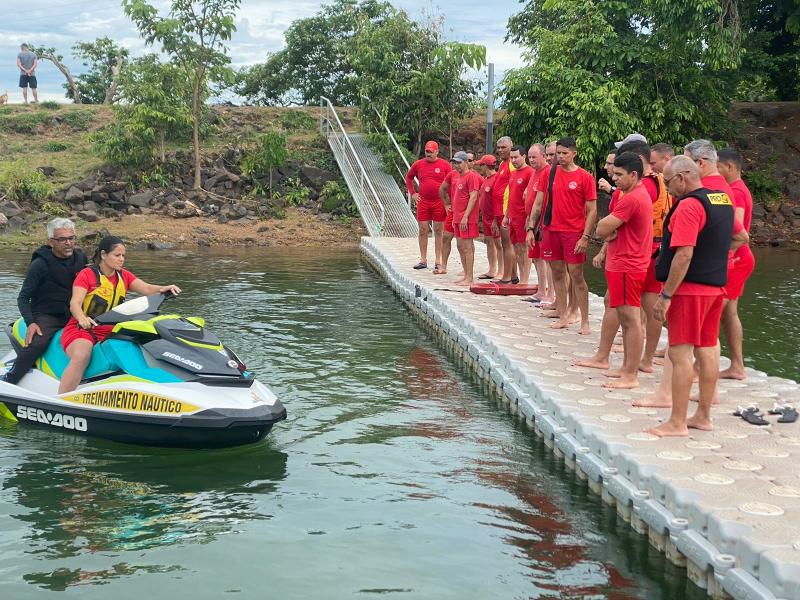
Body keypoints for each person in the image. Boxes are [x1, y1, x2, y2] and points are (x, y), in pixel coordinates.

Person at [644, 156, 747, 437]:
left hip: (689, 290)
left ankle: (677, 422)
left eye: (667, 182)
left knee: (679, 353)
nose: (667, 189)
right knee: (707, 348)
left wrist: (666, 295)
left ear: (682, 177)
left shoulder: (690, 206)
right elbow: (742, 238)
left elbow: (684, 253)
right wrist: (715, 256)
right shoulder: (722, 201)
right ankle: (703, 416)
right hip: (715, 287)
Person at [58, 236, 182, 394]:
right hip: (81, 327)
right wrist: (82, 318)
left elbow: (147, 288)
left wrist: (165, 288)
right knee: (82, 355)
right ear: (103, 255)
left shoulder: (123, 276)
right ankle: (62, 398)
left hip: (109, 327)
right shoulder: (87, 275)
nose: (121, 259)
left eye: (123, 256)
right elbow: (74, 303)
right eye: (117, 255)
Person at [1, 219, 87, 384]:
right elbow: (23, 298)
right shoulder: (40, 264)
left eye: (71, 238)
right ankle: (9, 380)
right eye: (62, 239)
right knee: (38, 344)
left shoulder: (81, 258)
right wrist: (31, 323)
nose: (68, 243)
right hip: (47, 315)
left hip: (74, 312)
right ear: (51, 242)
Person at [593, 153, 653, 389]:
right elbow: (608, 228)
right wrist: (610, 229)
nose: (614, 178)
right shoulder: (633, 195)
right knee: (629, 318)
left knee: (631, 320)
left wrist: (608, 228)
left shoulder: (632, 198)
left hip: (628, 265)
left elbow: (601, 228)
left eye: (619, 174)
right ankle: (626, 368)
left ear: (634, 174)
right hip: (625, 263)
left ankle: (631, 374)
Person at [528, 137, 597, 334]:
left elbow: (591, 210)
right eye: (558, 153)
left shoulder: (584, 177)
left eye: (564, 153)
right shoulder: (549, 174)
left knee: (576, 274)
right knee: (557, 272)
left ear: (574, 153)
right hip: (551, 230)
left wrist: (585, 237)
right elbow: (538, 203)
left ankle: (583, 319)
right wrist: (531, 228)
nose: (560, 157)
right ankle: (563, 312)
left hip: (573, 231)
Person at [717, 148, 756, 380]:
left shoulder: (735, 192)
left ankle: (700, 366)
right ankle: (737, 365)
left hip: (737, 258)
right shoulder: (736, 190)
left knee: (713, 312)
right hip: (741, 257)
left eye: (718, 167)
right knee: (729, 313)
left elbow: (738, 228)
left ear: (729, 167)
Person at [405, 140, 451, 271]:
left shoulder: (445, 165)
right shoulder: (418, 164)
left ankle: (438, 260)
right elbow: (408, 178)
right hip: (423, 201)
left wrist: (449, 202)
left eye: (431, 152)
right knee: (423, 229)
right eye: (427, 151)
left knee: (438, 230)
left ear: (437, 151)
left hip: (439, 201)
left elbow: (452, 182)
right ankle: (423, 259)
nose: (429, 154)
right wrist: (413, 193)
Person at [500, 146, 534, 283]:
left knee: (524, 248)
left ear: (524, 156)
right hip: (512, 216)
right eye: (511, 158)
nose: (513, 160)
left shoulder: (530, 172)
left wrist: (529, 218)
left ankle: (525, 280)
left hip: (523, 216)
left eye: (516, 157)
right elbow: (512, 196)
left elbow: (531, 197)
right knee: (516, 247)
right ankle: (520, 278)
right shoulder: (513, 174)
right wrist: (506, 215)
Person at [524, 144, 553, 300]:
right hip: (533, 222)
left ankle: (550, 294)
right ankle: (541, 291)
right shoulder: (535, 172)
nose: (532, 160)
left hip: (543, 223)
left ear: (543, 156)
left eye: (534, 157)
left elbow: (542, 201)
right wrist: (529, 221)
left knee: (547, 259)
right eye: (530, 157)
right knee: (536, 257)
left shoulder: (547, 172)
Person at [451, 151, 483, 286]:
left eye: (459, 162)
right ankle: (465, 274)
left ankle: (470, 277)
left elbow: (474, 197)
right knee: (460, 246)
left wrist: (465, 216)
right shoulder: (460, 177)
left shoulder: (471, 177)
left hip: (467, 218)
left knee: (467, 247)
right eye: (455, 162)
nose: (456, 165)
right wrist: (455, 217)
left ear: (465, 162)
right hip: (458, 218)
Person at [491, 136, 516, 283]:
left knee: (507, 244)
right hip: (500, 211)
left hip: (507, 211)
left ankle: (507, 277)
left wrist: (508, 212)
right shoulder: (502, 164)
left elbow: (515, 187)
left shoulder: (512, 164)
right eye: (498, 148)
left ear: (511, 146)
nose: (500, 150)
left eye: (504, 148)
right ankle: (512, 275)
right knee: (505, 244)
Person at [474, 154, 500, 279]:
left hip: (494, 218)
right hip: (485, 218)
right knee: (489, 242)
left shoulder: (496, 179)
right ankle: (492, 269)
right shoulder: (485, 179)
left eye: (481, 165)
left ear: (486, 166)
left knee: (499, 244)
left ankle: (502, 270)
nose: (480, 168)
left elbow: (498, 201)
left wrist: (495, 219)